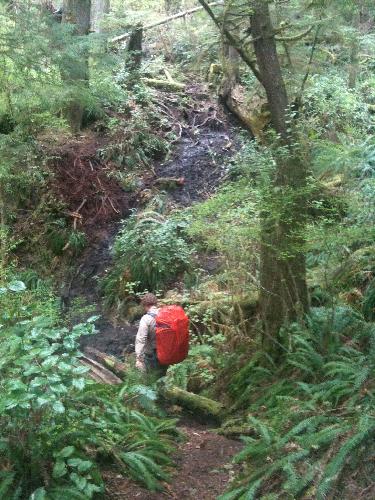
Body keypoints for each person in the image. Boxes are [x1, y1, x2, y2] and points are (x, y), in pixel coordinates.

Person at [135, 293, 165, 374]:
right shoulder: (165, 315)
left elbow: (141, 339)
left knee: (153, 376)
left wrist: (139, 358)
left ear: (145, 305)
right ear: (155, 303)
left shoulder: (146, 319)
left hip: (152, 353)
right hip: (166, 351)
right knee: (163, 374)